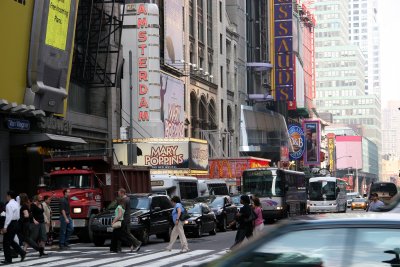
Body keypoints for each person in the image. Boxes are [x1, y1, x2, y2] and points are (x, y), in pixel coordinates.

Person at [1, 191, 26, 264]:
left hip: (11, 224)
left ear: (9, 196)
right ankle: (22, 252)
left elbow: (9, 217)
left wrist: (5, 227)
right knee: (10, 241)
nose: (6, 197)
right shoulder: (16, 203)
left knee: (6, 242)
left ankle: (8, 259)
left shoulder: (9, 205)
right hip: (16, 223)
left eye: (7, 196)